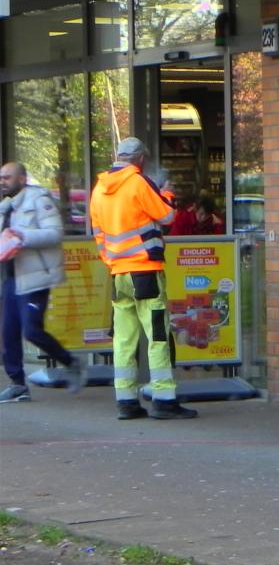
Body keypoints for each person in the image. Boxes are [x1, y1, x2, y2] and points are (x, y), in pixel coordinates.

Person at [89, 137, 196, 420]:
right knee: (157, 335)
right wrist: (168, 195)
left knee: (124, 339)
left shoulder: (99, 188)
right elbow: (168, 216)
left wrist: (112, 261)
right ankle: (163, 399)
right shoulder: (139, 182)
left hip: (118, 274)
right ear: (140, 159)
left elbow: (98, 234)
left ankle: (126, 400)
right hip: (145, 271)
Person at [0, 162, 84, 403]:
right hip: (11, 277)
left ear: (22, 179)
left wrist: (22, 236)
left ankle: (71, 363)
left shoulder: (38, 200)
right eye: (1, 177)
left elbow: (55, 233)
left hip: (35, 277)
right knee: (9, 333)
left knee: (31, 330)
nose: (2, 181)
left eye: (7, 177)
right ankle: (17, 384)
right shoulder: (5, 206)